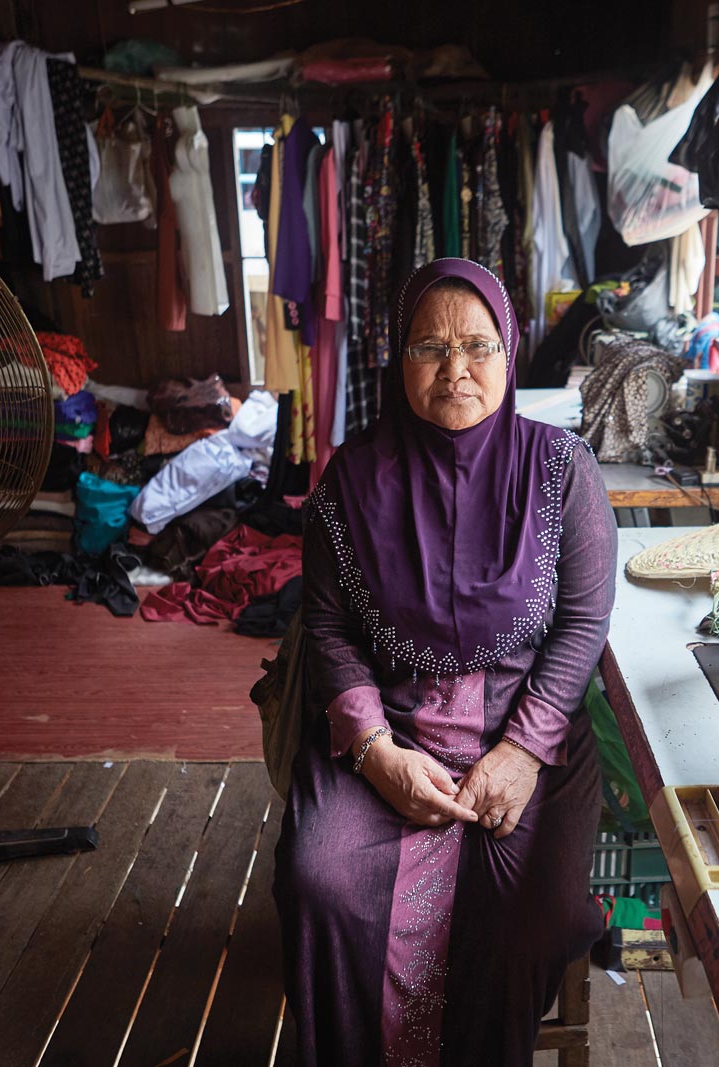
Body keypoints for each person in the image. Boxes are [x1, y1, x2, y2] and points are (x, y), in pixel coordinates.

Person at [275, 257, 617, 1065]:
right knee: (322, 878)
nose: (455, 369)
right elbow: (326, 627)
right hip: (388, 739)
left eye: (478, 345)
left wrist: (525, 749)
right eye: (430, 347)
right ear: (399, 361)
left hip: (527, 741)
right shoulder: (351, 481)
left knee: (534, 914)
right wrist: (374, 750)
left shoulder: (562, 472)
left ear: (510, 352)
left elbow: (582, 620)